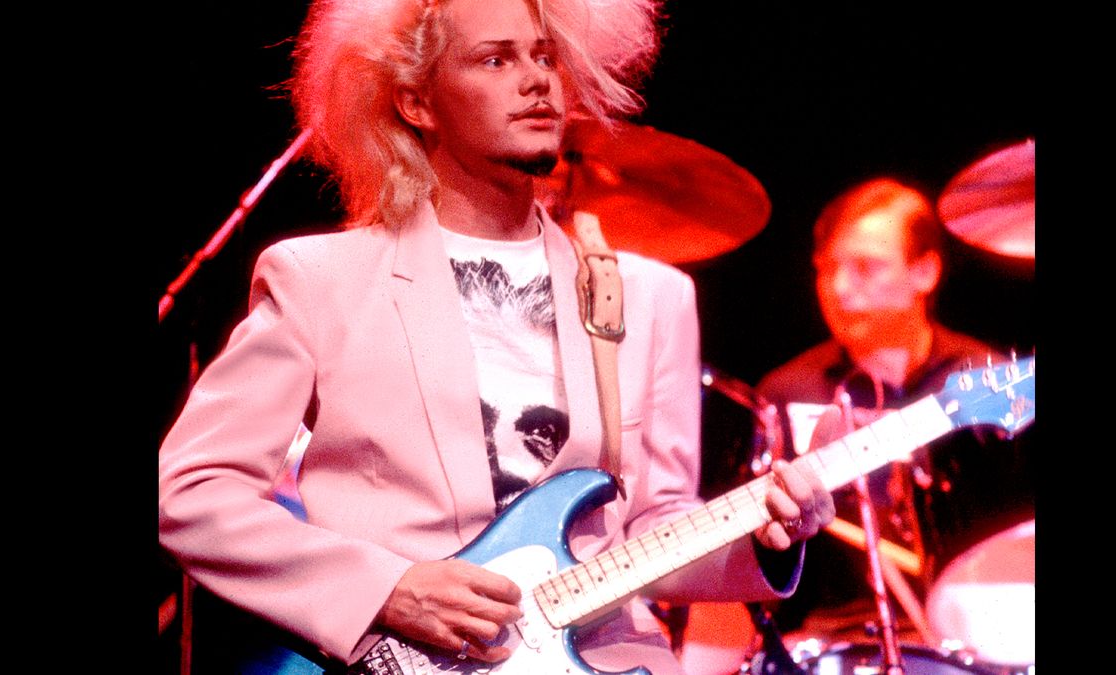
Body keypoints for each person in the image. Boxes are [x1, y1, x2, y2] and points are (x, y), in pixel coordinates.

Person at [156, 1, 835, 673]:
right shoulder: (321, 281)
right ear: (418, 103)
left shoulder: (647, 296)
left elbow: (648, 526)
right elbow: (193, 487)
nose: (537, 80)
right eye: (495, 58)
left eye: (545, 56)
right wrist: (386, 588)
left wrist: (765, 534)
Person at [755, 176, 1034, 643]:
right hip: (828, 638)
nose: (840, 289)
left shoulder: (992, 385)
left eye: (866, 267)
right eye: (827, 269)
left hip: (977, 635)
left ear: (925, 271)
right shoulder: (785, 391)